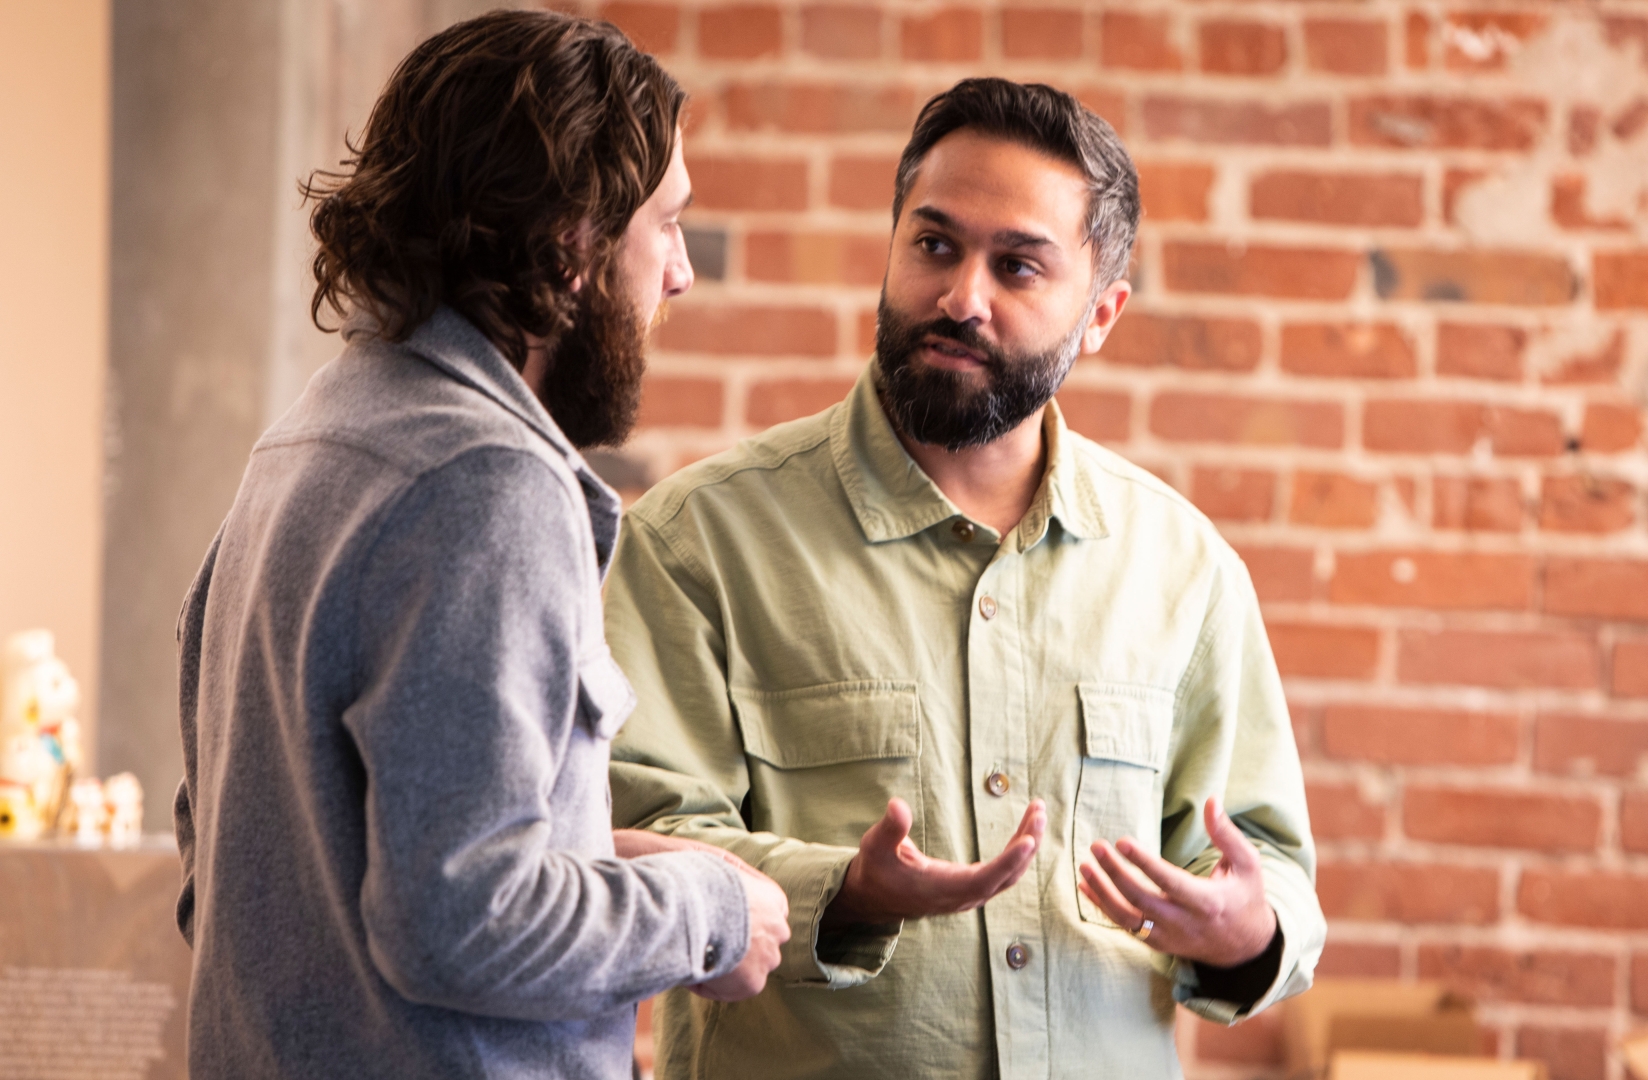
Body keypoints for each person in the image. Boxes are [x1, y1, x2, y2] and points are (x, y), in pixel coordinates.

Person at [603, 78, 1325, 1080]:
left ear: (1101, 313)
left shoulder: (1183, 568)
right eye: (934, 244)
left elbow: (1269, 865)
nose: (961, 298)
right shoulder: (699, 541)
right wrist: (844, 893)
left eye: (1019, 266)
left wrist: (1248, 929)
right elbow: (635, 838)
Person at [171, 12, 788, 1079]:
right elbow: (465, 918)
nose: (680, 273)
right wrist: (711, 906)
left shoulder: (309, 437)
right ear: (574, 243)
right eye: (667, 225)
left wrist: (594, 858)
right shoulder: (488, 484)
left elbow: (235, 862)